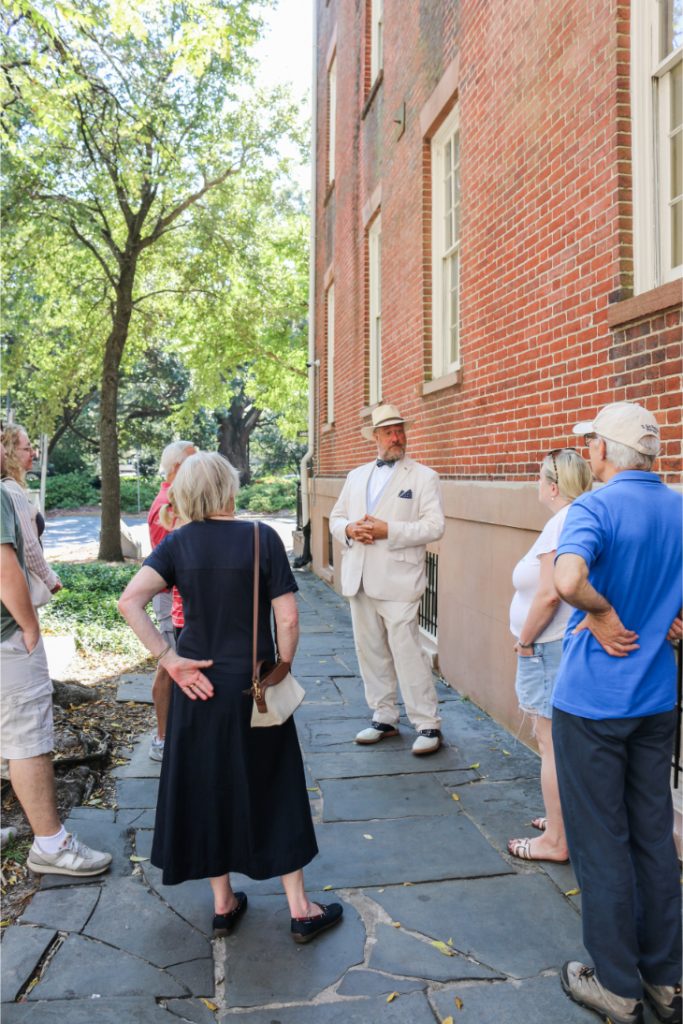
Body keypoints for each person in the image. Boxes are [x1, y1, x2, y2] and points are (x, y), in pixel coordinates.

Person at [118, 451, 342, 943]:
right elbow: (288, 619)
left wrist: (168, 659)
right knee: (275, 783)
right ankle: (300, 909)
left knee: (206, 785)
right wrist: (282, 666)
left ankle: (223, 904)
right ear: (230, 488)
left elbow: (129, 601)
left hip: (195, 685)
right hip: (253, 686)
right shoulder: (263, 538)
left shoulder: (177, 544)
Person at [551, 402, 682, 1024]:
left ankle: (617, 988)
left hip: (592, 704)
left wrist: (600, 612)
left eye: (589, 445)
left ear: (603, 451)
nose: (586, 453)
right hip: (657, 698)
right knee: (654, 838)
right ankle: (666, 980)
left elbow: (568, 578)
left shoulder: (594, 506)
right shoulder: (679, 505)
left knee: (602, 843)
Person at [0, 442, 111, 878]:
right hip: (6, 638)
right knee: (29, 739)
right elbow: (5, 563)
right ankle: (51, 844)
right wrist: (29, 625)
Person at [329, 404, 445, 755]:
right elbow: (336, 517)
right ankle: (384, 717)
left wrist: (387, 530)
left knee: (408, 652)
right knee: (371, 651)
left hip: (399, 581)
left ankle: (427, 724)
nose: (397, 437)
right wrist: (349, 529)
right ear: (376, 437)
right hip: (359, 577)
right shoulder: (356, 475)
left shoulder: (424, 476)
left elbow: (434, 526)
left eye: (400, 430)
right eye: (389, 432)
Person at [507, 448, 592, 863]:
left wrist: (524, 641)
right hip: (558, 647)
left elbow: (548, 595)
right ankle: (562, 820)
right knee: (561, 742)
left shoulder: (560, 524)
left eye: (539, 479)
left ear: (553, 485)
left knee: (550, 743)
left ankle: (557, 841)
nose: (537, 486)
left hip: (547, 648)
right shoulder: (580, 517)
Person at [146, 440, 196, 761]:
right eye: (194, 461)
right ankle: (162, 739)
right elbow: (172, 563)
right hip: (169, 600)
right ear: (177, 467)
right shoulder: (166, 505)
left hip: (179, 599)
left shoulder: (177, 499)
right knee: (169, 666)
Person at [1, 425, 61, 600]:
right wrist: (51, 580)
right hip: (18, 594)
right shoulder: (11, 489)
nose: (33, 453)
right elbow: (28, 545)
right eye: (27, 448)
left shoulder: (9, 487)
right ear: (11, 452)